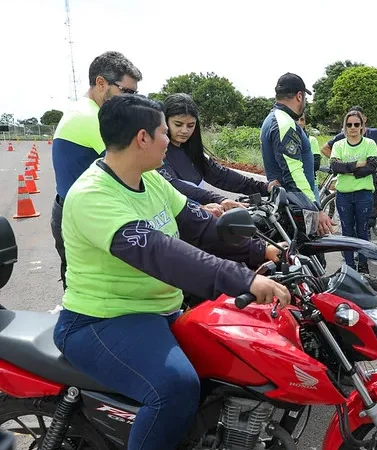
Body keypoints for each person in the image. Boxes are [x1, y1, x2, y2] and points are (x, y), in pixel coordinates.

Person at [53, 94, 291, 450]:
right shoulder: (93, 195)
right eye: (165, 131)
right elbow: (164, 254)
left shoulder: (150, 181)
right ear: (142, 138)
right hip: (101, 321)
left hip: (159, 312)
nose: (172, 140)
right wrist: (244, 279)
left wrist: (265, 250)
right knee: (175, 387)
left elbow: (202, 228)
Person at [51, 51, 141, 291]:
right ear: (101, 83)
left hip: (73, 210)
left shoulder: (83, 110)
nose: (131, 100)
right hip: (79, 216)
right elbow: (136, 167)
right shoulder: (90, 117)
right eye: (127, 92)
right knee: (89, 291)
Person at [157, 93, 268, 213]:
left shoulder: (192, 151)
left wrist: (264, 187)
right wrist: (218, 199)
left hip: (199, 219)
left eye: (190, 125)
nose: (185, 131)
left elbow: (222, 176)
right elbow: (173, 185)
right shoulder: (157, 153)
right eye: (178, 124)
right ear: (165, 121)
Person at [260, 73, 334, 235]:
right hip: (295, 210)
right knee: (307, 259)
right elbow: (293, 172)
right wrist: (315, 208)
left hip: (288, 205)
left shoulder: (273, 119)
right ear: (299, 96)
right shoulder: (284, 123)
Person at [328, 110, 377, 273]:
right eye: (349, 124)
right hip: (343, 196)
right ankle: (349, 266)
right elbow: (335, 167)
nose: (353, 128)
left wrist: (347, 168)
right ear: (345, 127)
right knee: (347, 231)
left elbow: (371, 167)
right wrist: (357, 164)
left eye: (356, 124)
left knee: (362, 231)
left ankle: (363, 265)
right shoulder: (338, 145)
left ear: (362, 126)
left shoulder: (370, 144)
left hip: (364, 195)